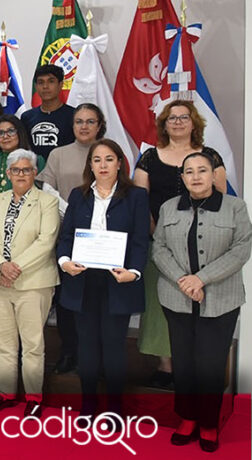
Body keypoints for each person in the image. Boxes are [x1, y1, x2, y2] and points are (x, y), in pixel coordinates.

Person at [154, 152, 249, 453]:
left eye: (202, 170)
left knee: (209, 363)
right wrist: (184, 279)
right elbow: (159, 249)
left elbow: (241, 249)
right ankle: (188, 418)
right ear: (182, 177)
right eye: (189, 171)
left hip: (220, 300)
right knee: (183, 362)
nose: (195, 176)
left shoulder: (235, 207)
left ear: (213, 174)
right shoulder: (169, 208)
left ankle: (208, 422)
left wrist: (202, 279)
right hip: (176, 298)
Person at [133, 99, 228, 390]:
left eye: (183, 117)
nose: (177, 122)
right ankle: (165, 366)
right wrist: (158, 235)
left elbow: (220, 199)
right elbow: (140, 200)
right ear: (163, 124)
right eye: (171, 118)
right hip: (157, 245)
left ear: (194, 122)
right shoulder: (149, 157)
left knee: (198, 304)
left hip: (201, 245)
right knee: (160, 305)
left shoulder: (210, 156)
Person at [56, 139, 149, 420]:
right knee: (86, 345)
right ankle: (88, 405)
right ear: (90, 165)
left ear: (120, 163)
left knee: (112, 345)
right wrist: (64, 262)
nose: (103, 165)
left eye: (109, 159)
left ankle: (115, 408)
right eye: (97, 160)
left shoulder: (136, 196)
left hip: (117, 281)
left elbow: (141, 241)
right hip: (82, 280)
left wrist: (133, 272)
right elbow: (66, 236)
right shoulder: (78, 195)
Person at [0, 149, 59, 418]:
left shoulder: (47, 202)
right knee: (3, 343)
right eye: (16, 170)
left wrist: (15, 268)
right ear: (8, 173)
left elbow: (46, 241)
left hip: (33, 282)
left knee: (32, 344)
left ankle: (34, 397)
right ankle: (6, 392)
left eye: (26, 170)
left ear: (35, 173)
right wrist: (1, 265)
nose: (21, 174)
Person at [39, 102, 108, 375]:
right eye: (79, 121)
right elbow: (47, 191)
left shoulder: (109, 151)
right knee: (69, 300)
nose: (84, 126)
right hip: (66, 233)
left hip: (101, 239)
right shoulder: (58, 154)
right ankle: (70, 352)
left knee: (97, 300)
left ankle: (95, 356)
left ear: (99, 125)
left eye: (90, 121)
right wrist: (71, 214)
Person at [0, 115, 45, 206]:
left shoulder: (36, 161)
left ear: (20, 133)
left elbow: (40, 194)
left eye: (11, 131)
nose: (5, 136)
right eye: (0, 133)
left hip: (27, 216)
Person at [20, 65, 75, 161]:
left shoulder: (74, 115)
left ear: (60, 84)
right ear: (36, 86)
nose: (45, 86)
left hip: (65, 171)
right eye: (41, 82)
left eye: (51, 81)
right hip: (35, 172)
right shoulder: (27, 117)